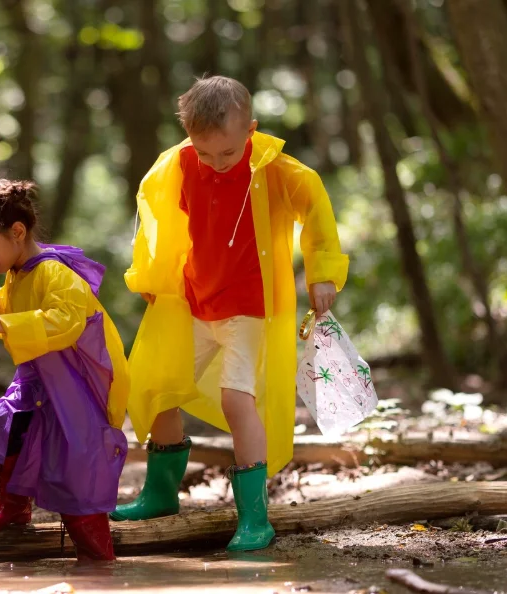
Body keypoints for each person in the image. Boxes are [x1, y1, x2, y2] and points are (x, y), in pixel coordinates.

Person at [112, 75, 349, 552]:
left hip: (250, 308)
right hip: (196, 300)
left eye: (227, 153)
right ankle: (160, 493)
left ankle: (254, 517)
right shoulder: (178, 165)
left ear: (251, 130)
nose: (216, 164)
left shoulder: (277, 169)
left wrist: (322, 273)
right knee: (159, 386)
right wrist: (154, 279)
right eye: (206, 153)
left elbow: (317, 210)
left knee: (237, 399)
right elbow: (157, 221)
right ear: (189, 137)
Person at [0, 174, 129, 561]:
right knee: (7, 425)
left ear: (17, 231)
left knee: (76, 458)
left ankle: (98, 556)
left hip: (76, 383)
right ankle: (15, 507)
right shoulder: (20, 272)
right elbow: (3, 301)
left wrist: (4, 326)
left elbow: (65, 321)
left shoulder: (54, 271)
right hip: (39, 378)